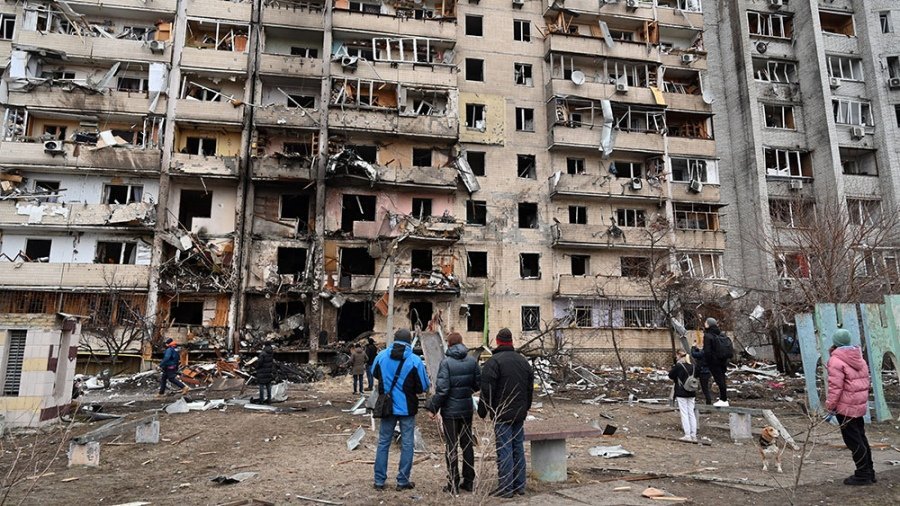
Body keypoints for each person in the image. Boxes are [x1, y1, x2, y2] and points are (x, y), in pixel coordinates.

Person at [371, 328, 431, 491]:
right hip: (407, 408)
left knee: (383, 443)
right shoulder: (414, 360)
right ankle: (402, 480)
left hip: (387, 407)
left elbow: (374, 373)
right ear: (409, 341)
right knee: (407, 444)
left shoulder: (381, 356)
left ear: (394, 339)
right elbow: (423, 386)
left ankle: (379, 480)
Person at [477, 328, 533, 498]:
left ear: (497, 341)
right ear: (511, 341)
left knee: (504, 449)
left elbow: (487, 390)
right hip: (519, 413)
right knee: (518, 448)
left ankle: (506, 487)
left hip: (501, 413)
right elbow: (529, 388)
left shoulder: (494, 362)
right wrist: (526, 407)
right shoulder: (523, 362)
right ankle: (519, 486)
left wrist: (482, 411)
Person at [426, 332, 481, 494]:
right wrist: (466, 392)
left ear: (449, 344)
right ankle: (469, 481)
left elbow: (442, 390)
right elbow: (478, 384)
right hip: (466, 409)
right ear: (461, 342)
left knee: (451, 446)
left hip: (450, 411)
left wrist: (433, 408)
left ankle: (453, 483)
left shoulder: (446, 363)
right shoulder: (472, 361)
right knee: (467, 445)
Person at [825, 329, 876, 485]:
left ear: (835, 342)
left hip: (845, 407)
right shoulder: (859, 357)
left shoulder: (836, 360)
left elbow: (835, 387)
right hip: (858, 405)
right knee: (860, 437)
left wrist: (830, 406)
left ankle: (862, 474)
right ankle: (869, 472)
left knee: (853, 441)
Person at [695, 317, 729, 407]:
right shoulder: (721, 334)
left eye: (706, 322)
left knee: (719, 380)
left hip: (714, 362)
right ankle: (724, 398)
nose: (704, 324)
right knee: (722, 379)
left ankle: (723, 400)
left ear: (708, 324)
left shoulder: (708, 335)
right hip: (723, 360)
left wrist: (707, 361)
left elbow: (707, 351)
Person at [668, 350, 697, 442]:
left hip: (681, 392)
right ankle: (693, 435)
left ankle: (687, 435)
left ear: (679, 356)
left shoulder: (679, 366)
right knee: (691, 413)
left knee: (684, 413)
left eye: (676, 356)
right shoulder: (693, 366)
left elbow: (670, 375)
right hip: (691, 391)